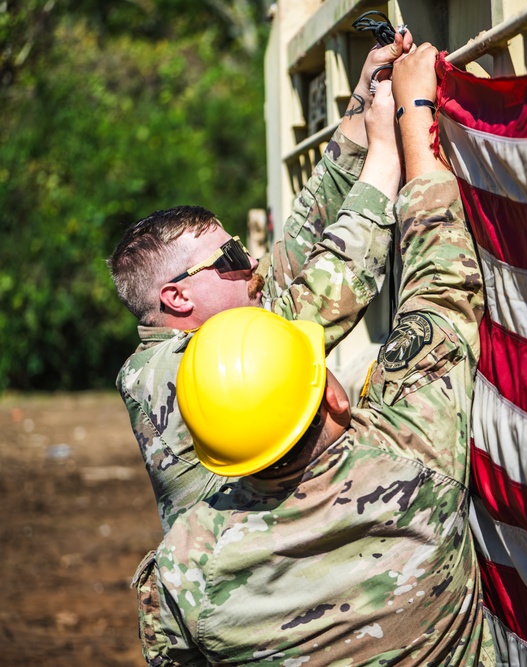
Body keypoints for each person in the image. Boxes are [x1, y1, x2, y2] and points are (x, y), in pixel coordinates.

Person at [134, 44, 496, 666]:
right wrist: (402, 137)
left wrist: (358, 116)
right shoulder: (416, 468)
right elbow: (345, 294)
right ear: (330, 389)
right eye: (229, 261)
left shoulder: (179, 577)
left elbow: (291, 263)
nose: (250, 266)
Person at [108, 29, 412, 533]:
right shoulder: (172, 372)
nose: (248, 259)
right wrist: (385, 157)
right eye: (228, 256)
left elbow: (299, 240)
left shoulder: (199, 338)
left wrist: (362, 100)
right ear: (177, 296)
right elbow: (319, 296)